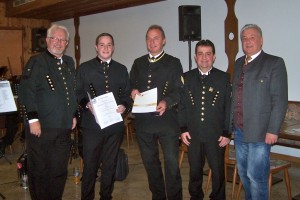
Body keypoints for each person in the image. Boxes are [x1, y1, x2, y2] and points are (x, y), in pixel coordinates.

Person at [18, 24, 77, 200]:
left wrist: (73, 114)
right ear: (47, 40)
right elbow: (26, 91)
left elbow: (70, 91)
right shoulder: (36, 62)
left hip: (63, 127)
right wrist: (33, 119)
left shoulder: (69, 62)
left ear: (66, 43)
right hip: (41, 127)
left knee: (59, 169)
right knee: (40, 170)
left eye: (62, 40)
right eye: (55, 39)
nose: (58, 43)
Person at [231, 24, 288, 200]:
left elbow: (279, 100)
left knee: (257, 177)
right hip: (240, 132)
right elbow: (234, 96)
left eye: (252, 37)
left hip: (261, 133)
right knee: (244, 175)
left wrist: (273, 130)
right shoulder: (239, 62)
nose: (247, 41)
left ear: (261, 40)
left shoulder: (274, 63)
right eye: (244, 38)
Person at [75, 33, 131, 200]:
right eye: (102, 44)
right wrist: (87, 103)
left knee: (110, 165)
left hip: (114, 126)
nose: (105, 48)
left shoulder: (121, 69)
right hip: (92, 126)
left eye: (109, 45)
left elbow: (127, 95)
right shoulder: (84, 68)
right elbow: (77, 92)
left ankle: (106, 196)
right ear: (96, 47)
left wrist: (124, 106)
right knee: (90, 165)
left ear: (113, 47)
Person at [130, 24, 183, 200]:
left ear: (164, 40)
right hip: (144, 123)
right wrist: (132, 91)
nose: (152, 42)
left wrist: (166, 102)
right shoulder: (138, 63)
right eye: (149, 38)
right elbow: (131, 84)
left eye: (156, 38)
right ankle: (158, 196)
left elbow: (179, 90)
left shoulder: (173, 62)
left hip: (167, 121)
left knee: (171, 164)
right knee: (150, 164)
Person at [179, 40, 231, 200]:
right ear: (195, 57)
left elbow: (228, 107)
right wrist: (183, 129)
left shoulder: (223, 78)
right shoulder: (186, 78)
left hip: (216, 135)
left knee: (217, 172)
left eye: (208, 54)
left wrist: (227, 132)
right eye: (200, 54)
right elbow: (182, 106)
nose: (204, 58)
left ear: (214, 57)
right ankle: (196, 197)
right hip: (193, 135)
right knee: (194, 171)